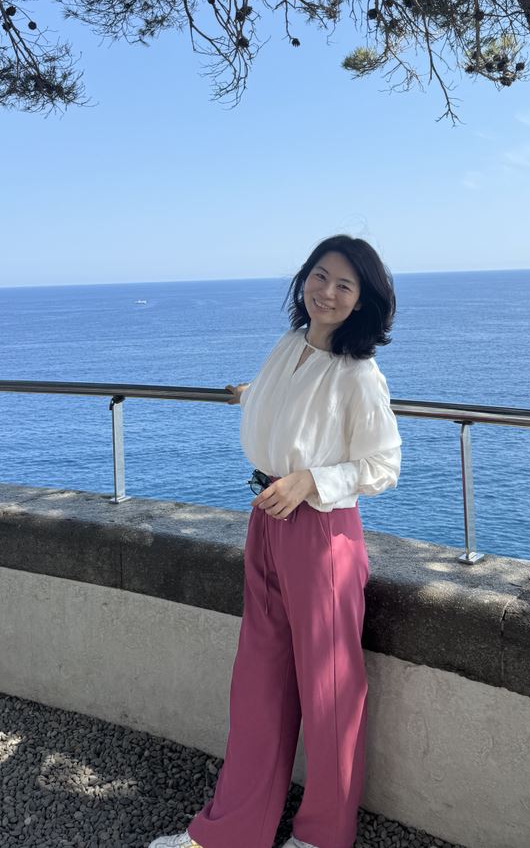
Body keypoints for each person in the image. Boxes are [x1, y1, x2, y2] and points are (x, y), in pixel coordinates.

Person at [149, 235, 402, 848]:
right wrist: (256, 396)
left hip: (321, 531)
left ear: (363, 300)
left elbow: (384, 465)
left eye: (344, 285)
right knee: (259, 681)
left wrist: (312, 480)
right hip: (268, 515)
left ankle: (322, 836)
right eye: (320, 276)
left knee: (329, 692)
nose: (327, 292)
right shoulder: (291, 346)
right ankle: (231, 831)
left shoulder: (358, 374)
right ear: (303, 278)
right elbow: (287, 406)